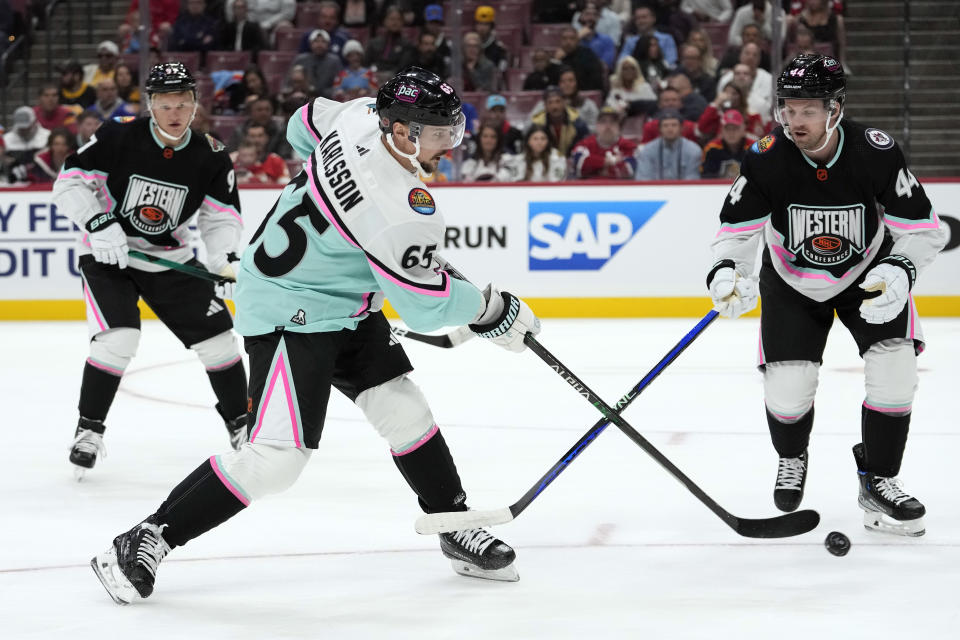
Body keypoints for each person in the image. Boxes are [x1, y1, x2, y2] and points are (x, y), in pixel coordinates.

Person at [89, 66, 541, 605]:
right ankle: (146, 538)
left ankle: (450, 519)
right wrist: (493, 310)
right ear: (402, 132)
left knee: (404, 410)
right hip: (289, 308)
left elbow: (302, 127)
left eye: (452, 128)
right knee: (275, 459)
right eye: (439, 132)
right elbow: (426, 308)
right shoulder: (401, 210)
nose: (451, 144)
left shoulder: (358, 116)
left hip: (343, 300)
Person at [706, 54, 946, 537]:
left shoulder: (875, 152)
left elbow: (923, 229)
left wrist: (901, 267)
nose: (796, 121)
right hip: (792, 282)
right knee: (789, 393)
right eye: (789, 109)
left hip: (868, 275)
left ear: (836, 108)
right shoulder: (766, 156)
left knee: (896, 369)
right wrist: (726, 271)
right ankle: (792, 456)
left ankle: (878, 479)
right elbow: (735, 231)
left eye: (808, 110)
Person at [51, 63, 248, 480]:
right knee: (118, 340)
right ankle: (88, 431)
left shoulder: (210, 154)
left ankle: (240, 423)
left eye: (183, 104)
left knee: (219, 343)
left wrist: (226, 260)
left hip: (170, 259)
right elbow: (69, 182)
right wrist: (98, 224)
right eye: (165, 104)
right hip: (110, 257)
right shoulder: (119, 135)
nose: (175, 112)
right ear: (150, 105)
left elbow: (220, 218)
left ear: (194, 105)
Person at [571, 106, 638, 179]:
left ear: (619, 127)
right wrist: (612, 161)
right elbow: (580, 165)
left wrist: (595, 167)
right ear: (596, 126)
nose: (608, 126)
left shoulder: (630, 146)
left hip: (620, 188)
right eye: (603, 121)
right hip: (589, 188)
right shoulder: (584, 145)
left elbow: (629, 170)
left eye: (612, 122)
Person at [635, 109, 702, 180]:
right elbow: (643, 179)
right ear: (659, 129)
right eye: (665, 125)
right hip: (654, 190)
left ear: (682, 128)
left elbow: (693, 180)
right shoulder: (647, 150)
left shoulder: (693, 150)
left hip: (684, 190)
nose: (670, 129)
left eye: (674, 125)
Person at [699, 108, 754, 178]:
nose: (731, 133)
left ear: (743, 130)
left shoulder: (754, 148)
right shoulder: (711, 148)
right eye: (727, 128)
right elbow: (705, 176)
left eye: (735, 128)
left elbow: (760, 174)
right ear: (721, 130)